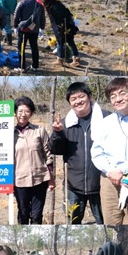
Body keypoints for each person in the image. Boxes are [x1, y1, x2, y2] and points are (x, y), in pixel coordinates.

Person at [48, 82, 109, 224]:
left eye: (81, 96)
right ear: (69, 103)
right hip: (73, 185)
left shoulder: (107, 118)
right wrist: (57, 133)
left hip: (102, 183)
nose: (78, 101)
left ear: (90, 97)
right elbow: (55, 149)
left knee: (105, 222)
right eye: (73, 99)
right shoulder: (65, 124)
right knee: (72, 222)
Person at [91, 77, 128, 225]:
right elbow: (96, 152)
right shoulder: (105, 123)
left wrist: (122, 169)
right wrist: (110, 171)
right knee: (111, 222)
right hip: (110, 178)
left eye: (122, 93)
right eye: (113, 96)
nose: (118, 99)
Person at [14, 96, 54, 224]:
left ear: (31, 113)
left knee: (37, 215)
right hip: (19, 181)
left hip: (39, 179)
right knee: (23, 213)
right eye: (20, 111)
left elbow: (48, 155)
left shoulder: (40, 131)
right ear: (15, 113)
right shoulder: (8, 133)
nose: (23, 114)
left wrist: (51, 179)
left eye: (26, 111)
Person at [42, 0, 80, 67]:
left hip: (62, 27)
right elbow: (68, 13)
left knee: (60, 43)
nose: (43, 2)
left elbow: (59, 19)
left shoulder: (52, 8)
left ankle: (60, 59)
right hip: (68, 26)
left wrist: (60, 29)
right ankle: (76, 58)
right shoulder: (58, 4)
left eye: (43, 1)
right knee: (70, 42)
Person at [13, 0, 45, 73]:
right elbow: (42, 18)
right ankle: (35, 66)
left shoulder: (21, 3)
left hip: (23, 30)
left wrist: (15, 27)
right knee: (34, 47)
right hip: (34, 30)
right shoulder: (39, 5)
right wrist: (42, 28)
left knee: (21, 48)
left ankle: (22, 67)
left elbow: (16, 16)